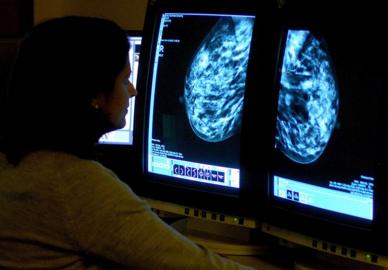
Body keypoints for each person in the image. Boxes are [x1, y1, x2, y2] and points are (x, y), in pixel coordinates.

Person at [0, 16, 254, 269]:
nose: (132, 90)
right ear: (95, 96)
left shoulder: (17, 165)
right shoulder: (74, 185)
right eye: (124, 80)